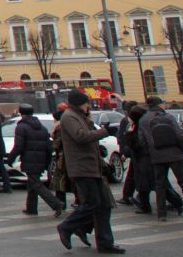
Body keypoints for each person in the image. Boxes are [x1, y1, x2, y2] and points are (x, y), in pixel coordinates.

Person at [56, 87, 125, 254]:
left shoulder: (80, 116)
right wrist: (104, 132)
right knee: (92, 204)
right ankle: (67, 226)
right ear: (80, 104)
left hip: (93, 166)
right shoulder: (69, 117)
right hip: (82, 167)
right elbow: (81, 136)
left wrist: (98, 140)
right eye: (87, 104)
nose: (89, 106)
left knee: (104, 205)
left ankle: (105, 242)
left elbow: (88, 134)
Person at [140, 97, 183, 223]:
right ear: (160, 105)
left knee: (160, 185)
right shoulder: (168, 117)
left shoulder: (143, 120)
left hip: (156, 156)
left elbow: (142, 141)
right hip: (174, 154)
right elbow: (178, 135)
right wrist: (180, 149)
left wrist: (150, 153)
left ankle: (162, 214)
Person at [5, 104, 63, 216]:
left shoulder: (21, 127)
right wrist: (47, 161)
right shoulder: (41, 127)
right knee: (32, 183)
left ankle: (56, 204)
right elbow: (48, 147)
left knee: (36, 184)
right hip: (40, 159)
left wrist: (10, 159)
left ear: (21, 113)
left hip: (29, 159)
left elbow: (18, 146)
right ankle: (31, 208)